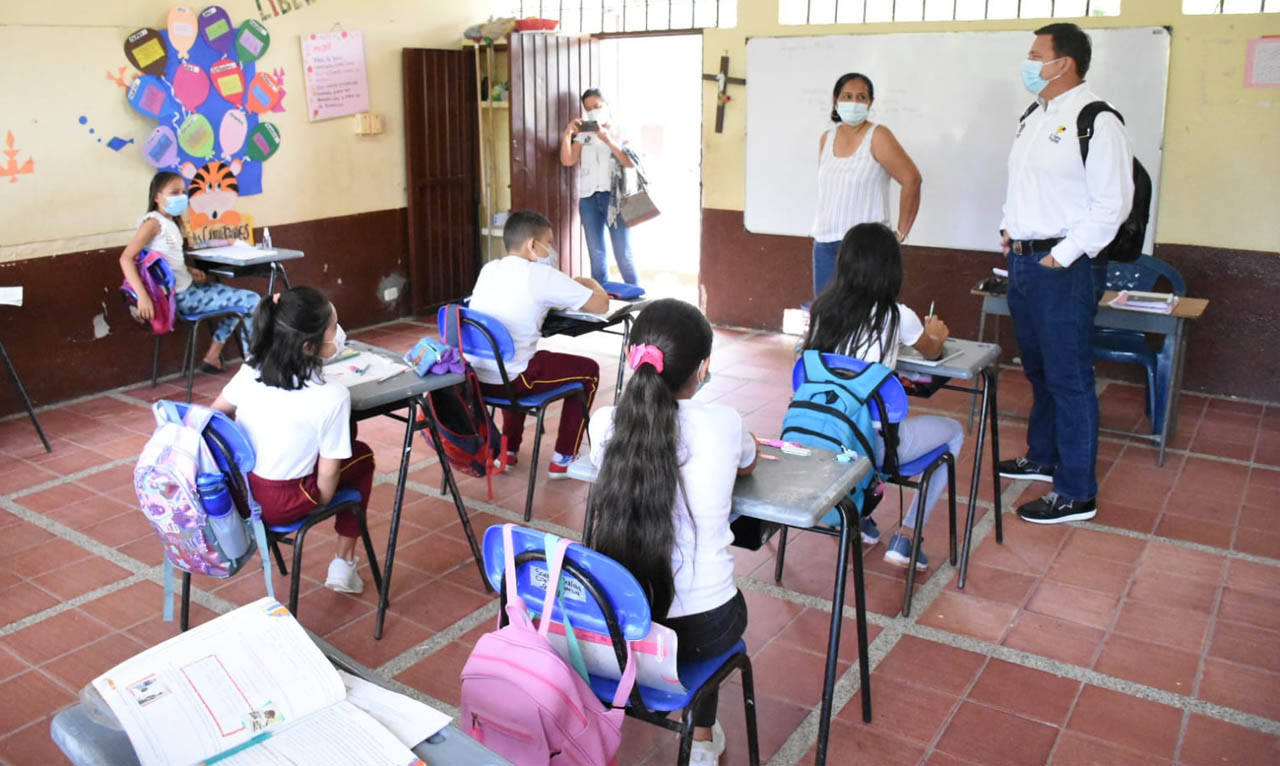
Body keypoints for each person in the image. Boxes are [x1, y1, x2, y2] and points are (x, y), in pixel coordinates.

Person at [588, 298, 756, 766]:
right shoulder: (725, 423)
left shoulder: (605, 425)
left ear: (632, 358)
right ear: (702, 369)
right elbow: (748, 461)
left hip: (620, 626)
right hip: (704, 629)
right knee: (720, 604)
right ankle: (701, 741)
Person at [997, 23, 1134, 524]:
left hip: (1064, 268)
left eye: (1036, 55)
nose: (1028, 63)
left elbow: (1113, 203)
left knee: (1069, 378)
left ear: (1065, 64)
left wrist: (1065, 254)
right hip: (1024, 261)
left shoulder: (1097, 119)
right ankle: (1043, 456)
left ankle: (1077, 492)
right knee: (1038, 370)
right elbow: (1022, 186)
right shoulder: (1034, 116)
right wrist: (1008, 228)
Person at [804, 223, 963, 569]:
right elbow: (933, 352)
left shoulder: (821, 310)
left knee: (860, 415)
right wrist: (935, 333)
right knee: (954, 432)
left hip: (819, 441)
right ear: (891, 268)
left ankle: (860, 517)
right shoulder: (897, 315)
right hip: (870, 447)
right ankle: (907, 536)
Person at [211, 286, 374, 594]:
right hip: (284, 503)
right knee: (362, 456)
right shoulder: (333, 396)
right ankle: (343, 564)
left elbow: (215, 415)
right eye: (333, 328)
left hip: (241, 494)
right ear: (309, 346)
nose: (339, 333)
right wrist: (321, 499)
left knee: (336, 446)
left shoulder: (251, 369)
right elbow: (328, 473)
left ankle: (343, 562)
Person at [468, 210, 610, 474]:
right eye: (549, 243)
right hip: (513, 382)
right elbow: (601, 305)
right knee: (588, 371)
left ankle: (508, 450)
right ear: (532, 244)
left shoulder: (489, 269)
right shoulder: (541, 276)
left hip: (477, 380)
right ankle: (564, 458)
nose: (551, 250)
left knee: (516, 357)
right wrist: (591, 282)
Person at [119, 171, 260, 372]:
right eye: (174, 192)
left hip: (189, 291)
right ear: (157, 197)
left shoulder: (170, 223)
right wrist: (142, 296)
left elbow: (164, 259)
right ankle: (252, 366)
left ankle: (213, 357)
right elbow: (126, 258)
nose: (181, 197)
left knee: (240, 303)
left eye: (183, 192)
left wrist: (188, 270)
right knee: (252, 300)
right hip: (182, 298)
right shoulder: (153, 223)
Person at [810, 73, 922, 297]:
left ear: (870, 103)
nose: (854, 102)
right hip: (825, 244)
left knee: (865, 313)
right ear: (835, 100)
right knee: (827, 312)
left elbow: (912, 180)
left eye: (861, 97)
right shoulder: (826, 138)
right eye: (847, 96)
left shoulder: (878, 136)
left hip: (865, 248)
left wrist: (900, 234)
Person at [559, 88, 640, 286]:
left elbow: (630, 162)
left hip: (616, 198)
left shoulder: (621, 129)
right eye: (588, 109)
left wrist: (609, 141)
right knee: (596, 255)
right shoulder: (584, 134)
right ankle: (603, 297)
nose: (593, 111)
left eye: (597, 106)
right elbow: (568, 160)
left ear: (606, 105)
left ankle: (637, 297)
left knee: (623, 253)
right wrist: (568, 133)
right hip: (588, 198)